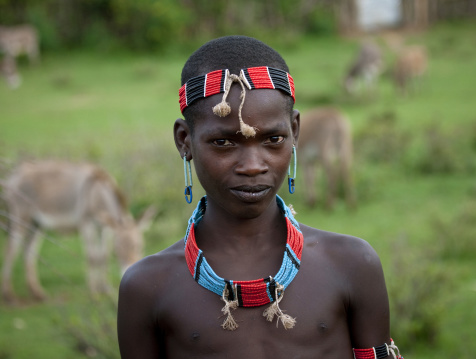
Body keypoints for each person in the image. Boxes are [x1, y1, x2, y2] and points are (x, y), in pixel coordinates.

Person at [117, 35, 403, 359]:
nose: (253, 167)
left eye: (273, 139)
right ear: (185, 141)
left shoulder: (353, 264)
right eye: (224, 143)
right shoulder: (145, 289)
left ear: (295, 132)